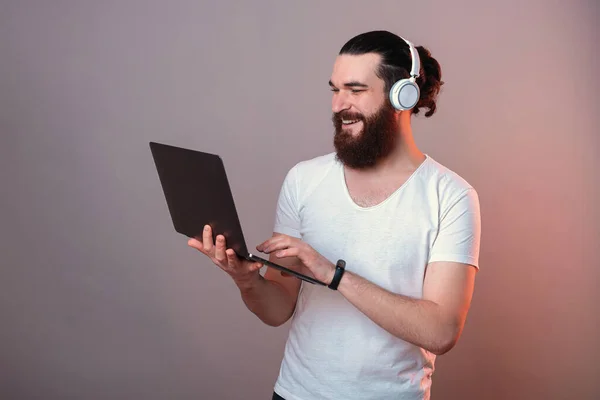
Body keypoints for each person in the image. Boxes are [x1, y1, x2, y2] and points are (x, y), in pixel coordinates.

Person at [188, 30, 481, 400]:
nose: (339, 104)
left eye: (356, 90)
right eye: (335, 89)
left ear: (401, 96)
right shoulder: (303, 179)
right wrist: (247, 281)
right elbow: (278, 307)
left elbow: (441, 332)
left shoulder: (451, 196)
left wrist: (333, 274)